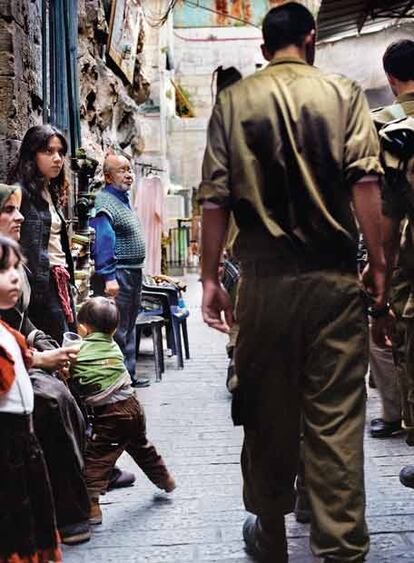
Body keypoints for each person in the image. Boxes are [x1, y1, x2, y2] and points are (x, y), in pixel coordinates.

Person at [199, 4, 385, 562]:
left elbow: (214, 198)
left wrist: (209, 277)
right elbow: (366, 181)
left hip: (261, 283)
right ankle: (342, 546)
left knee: (264, 409)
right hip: (331, 281)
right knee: (335, 419)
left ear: (263, 47)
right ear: (310, 39)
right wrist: (377, 262)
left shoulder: (234, 101)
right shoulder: (344, 94)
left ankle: (272, 533)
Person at [70, 296, 176, 524]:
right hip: (134, 407)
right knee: (141, 447)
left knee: (97, 458)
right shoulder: (113, 346)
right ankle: (165, 479)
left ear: (82, 328)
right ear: (115, 328)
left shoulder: (79, 351)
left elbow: (72, 373)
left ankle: (92, 507)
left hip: (112, 414)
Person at [0, 234, 62, 563]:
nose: (12, 276)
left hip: (24, 445)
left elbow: (24, 360)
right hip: (6, 447)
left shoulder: (9, 332)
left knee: (29, 519)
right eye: (2, 269)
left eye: (14, 267)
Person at [370, 40, 414, 486]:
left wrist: (377, 269)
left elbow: (386, 212)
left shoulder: (388, 129)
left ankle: (397, 417)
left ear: (390, 79)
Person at [8, 125, 76, 344]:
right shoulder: (20, 194)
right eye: (48, 151)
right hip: (41, 288)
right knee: (54, 342)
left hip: (58, 281)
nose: (57, 158)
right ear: (32, 154)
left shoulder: (49, 190)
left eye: (60, 152)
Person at [91, 153, 149, 388]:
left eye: (130, 170)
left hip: (132, 272)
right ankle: (119, 379)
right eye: (122, 170)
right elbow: (103, 241)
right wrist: (109, 277)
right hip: (120, 274)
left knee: (129, 325)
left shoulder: (122, 199)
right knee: (119, 328)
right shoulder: (105, 202)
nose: (129, 175)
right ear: (107, 176)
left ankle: (129, 375)